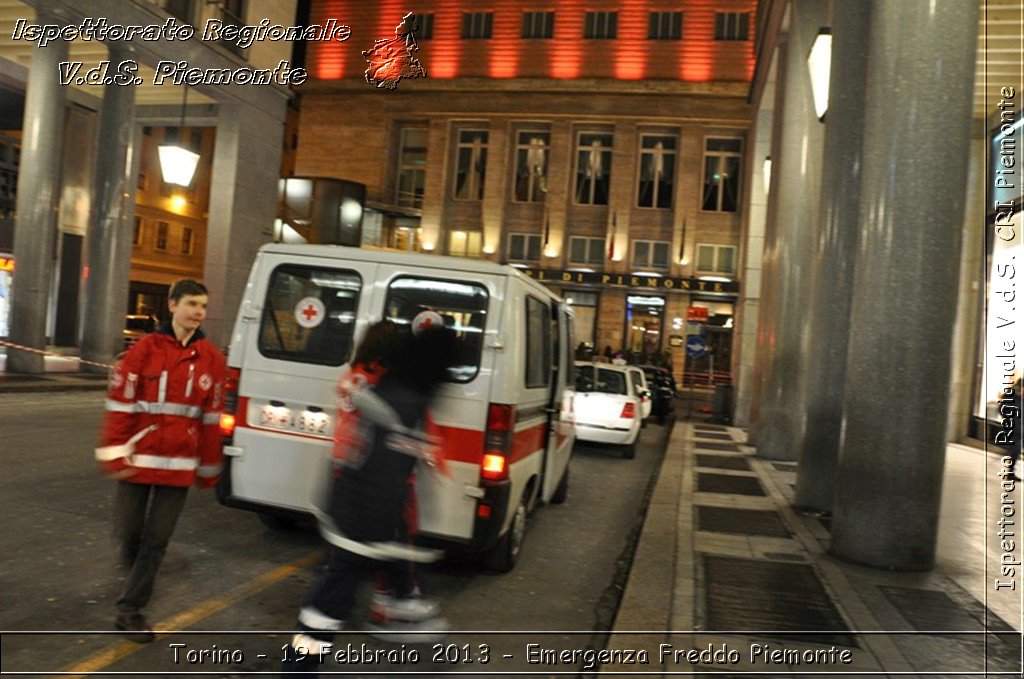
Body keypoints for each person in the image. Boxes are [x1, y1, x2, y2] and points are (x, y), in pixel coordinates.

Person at [284, 323, 457, 675]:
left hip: (357, 512)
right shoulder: (404, 402)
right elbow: (382, 470)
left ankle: (302, 664)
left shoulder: (392, 392)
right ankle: (297, 667)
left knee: (330, 598)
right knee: (328, 602)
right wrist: (384, 537)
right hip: (360, 519)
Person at [95, 279, 226, 643]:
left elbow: (211, 420)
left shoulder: (213, 361)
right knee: (129, 532)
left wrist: (209, 468)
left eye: (203, 305)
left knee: (157, 540)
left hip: (180, 465)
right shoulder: (143, 350)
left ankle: (130, 610)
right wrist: (115, 451)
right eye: (191, 304)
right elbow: (120, 406)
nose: (198, 312)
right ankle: (135, 568)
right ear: (172, 305)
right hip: (138, 460)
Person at [332, 319, 442, 629]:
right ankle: (389, 604)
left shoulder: (351, 376)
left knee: (348, 546)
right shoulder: (386, 384)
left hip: (346, 468)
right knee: (393, 541)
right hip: (385, 477)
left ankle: (337, 604)